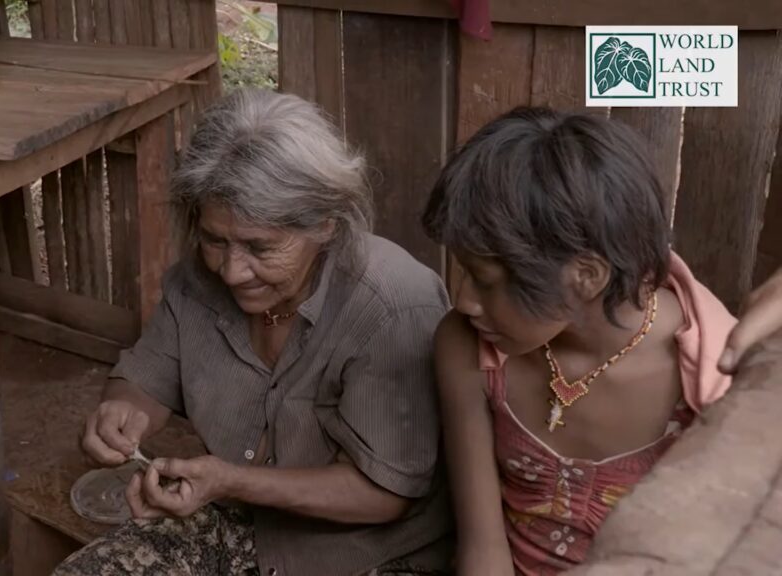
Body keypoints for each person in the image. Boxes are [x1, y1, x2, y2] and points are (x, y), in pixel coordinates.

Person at [55, 89, 454, 576]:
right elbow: (146, 378)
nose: (231, 271)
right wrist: (123, 412)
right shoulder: (195, 284)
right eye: (214, 240)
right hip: (237, 521)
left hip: (370, 552)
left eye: (260, 248)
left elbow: (385, 494)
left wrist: (231, 481)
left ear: (325, 224)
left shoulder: (392, 307)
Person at [421, 107, 737, 575]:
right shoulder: (468, 348)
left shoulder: (718, 379)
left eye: (484, 281)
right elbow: (483, 550)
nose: (464, 300)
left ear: (586, 275)